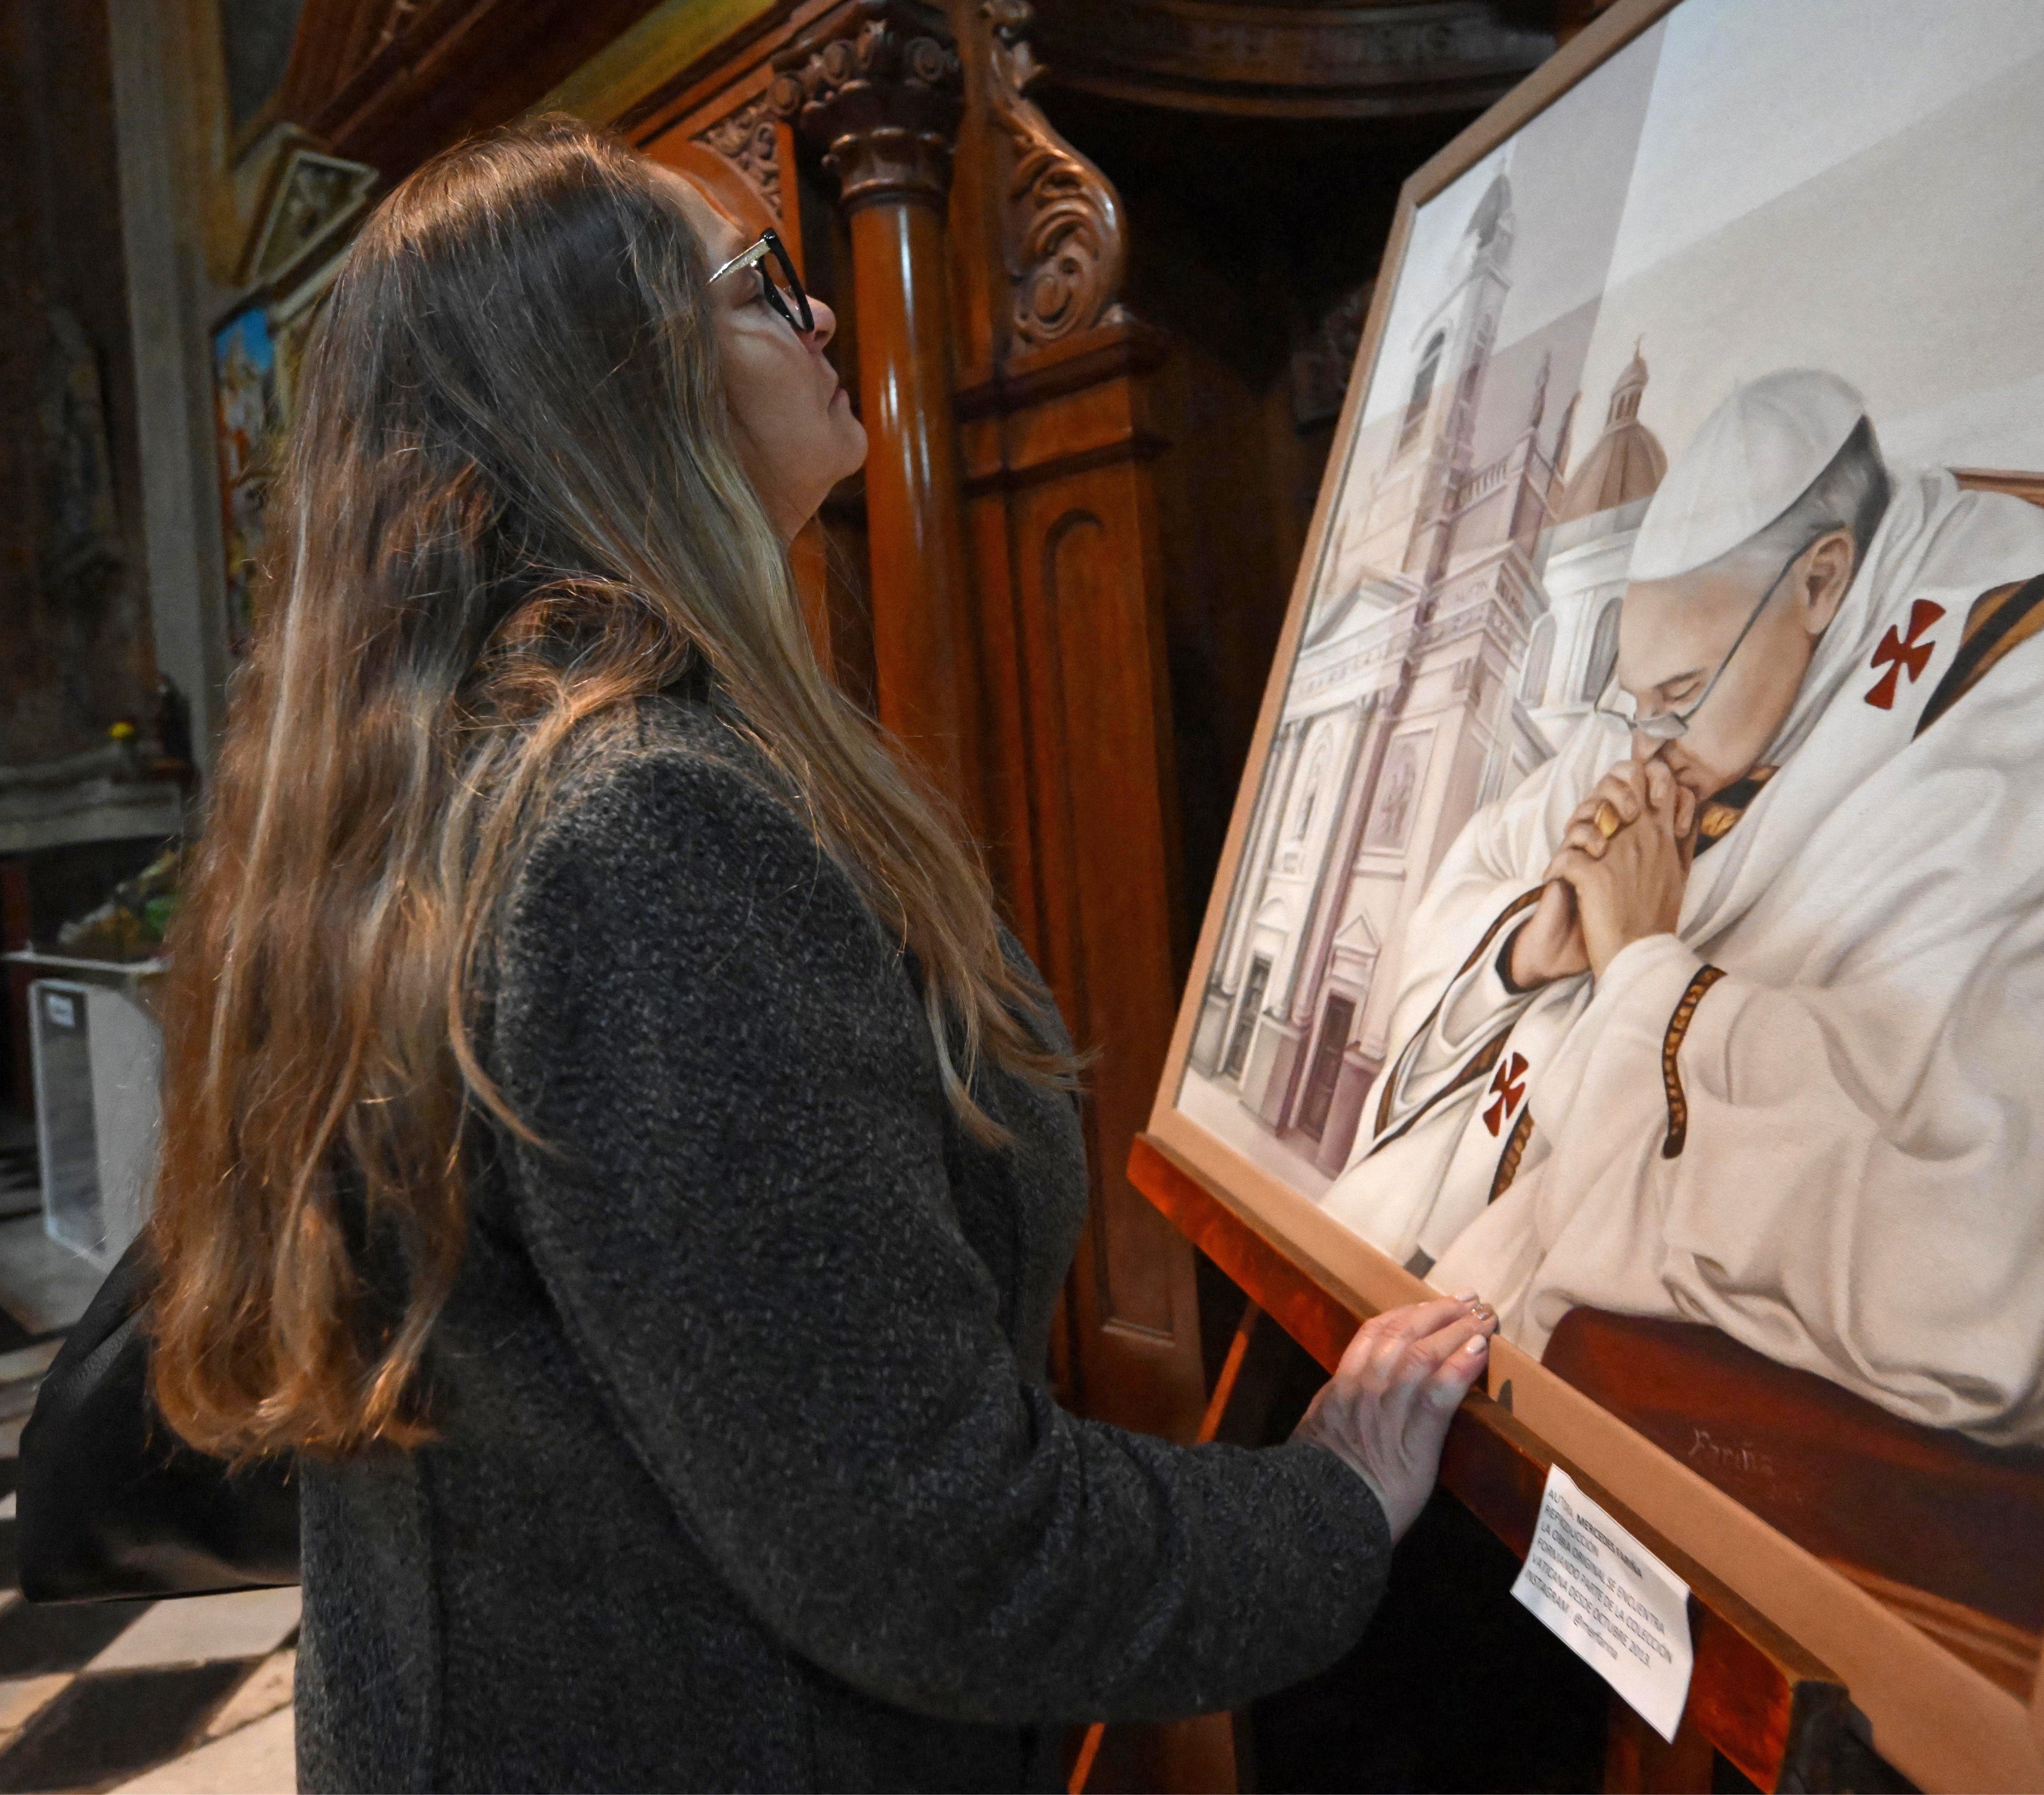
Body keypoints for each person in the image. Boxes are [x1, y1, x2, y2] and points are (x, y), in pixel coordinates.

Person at [142, 117, 1493, 1792]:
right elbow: (937, 1543)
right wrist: (1334, 1498)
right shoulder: (638, 830)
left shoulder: (460, 781)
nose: (826, 314)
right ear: (620, 386)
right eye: (761, 285)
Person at [1320, 369, 2044, 1448]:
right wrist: (1525, 954)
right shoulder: (1684, 702)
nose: (1646, 744)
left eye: (1681, 695)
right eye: (1638, 700)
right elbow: (1487, 869)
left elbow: (1958, 1239)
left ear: (1822, 581)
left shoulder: (2035, 723)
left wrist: (1643, 963)